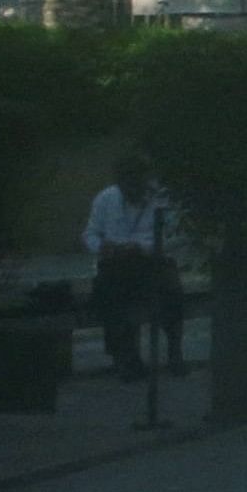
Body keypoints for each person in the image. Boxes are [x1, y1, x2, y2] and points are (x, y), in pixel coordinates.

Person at [84, 150, 185, 381]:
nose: (130, 189)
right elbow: (90, 233)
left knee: (171, 292)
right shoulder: (106, 198)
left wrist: (143, 247)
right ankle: (126, 358)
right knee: (108, 294)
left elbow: (177, 238)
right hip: (117, 265)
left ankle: (174, 352)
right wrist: (101, 246)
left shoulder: (163, 198)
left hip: (154, 263)